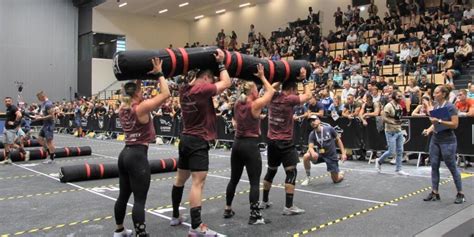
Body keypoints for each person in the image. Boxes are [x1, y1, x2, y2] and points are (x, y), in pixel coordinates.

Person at [170, 49, 231, 236]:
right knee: (198, 183)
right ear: (207, 78)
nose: (213, 84)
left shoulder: (184, 90)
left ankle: (175, 216)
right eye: (212, 80)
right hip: (198, 141)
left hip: (185, 139)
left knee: (180, 179)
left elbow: (191, 79)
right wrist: (221, 63)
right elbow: (227, 82)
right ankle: (196, 226)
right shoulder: (202, 88)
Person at [113, 57, 170, 237]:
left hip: (125, 154)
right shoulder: (142, 108)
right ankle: (141, 233)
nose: (143, 91)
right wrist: (159, 73)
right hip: (137, 156)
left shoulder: (123, 106)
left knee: (123, 195)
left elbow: (129, 91)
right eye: (141, 90)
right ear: (137, 94)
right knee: (139, 199)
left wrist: (139, 75)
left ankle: (119, 230)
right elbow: (166, 93)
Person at [223, 64, 275, 225]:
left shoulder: (238, 103)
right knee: (254, 182)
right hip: (250, 146)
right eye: (256, 89)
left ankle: (228, 208)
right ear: (253, 91)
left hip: (237, 144)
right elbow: (271, 92)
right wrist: (262, 77)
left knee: (234, 179)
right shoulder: (255, 104)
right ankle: (255, 215)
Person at [260, 67, 312, 215]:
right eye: (295, 90)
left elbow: (268, 89)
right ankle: (288, 207)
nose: (296, 93)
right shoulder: (289, 99)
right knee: (291, 173)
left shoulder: (272, 96)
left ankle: (264, 201)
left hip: (271, 142)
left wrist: (280, 80)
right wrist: (304, 80)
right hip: (285, 142)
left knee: (271, 170)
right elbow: (308, 96)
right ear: (293, 89)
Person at [422, 85, 465, 204]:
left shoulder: (450, 107)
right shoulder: (436, 106)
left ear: (443, 94)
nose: (434, 95)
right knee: (434, 165)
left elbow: (455, 124)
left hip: (448, 140)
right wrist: (429, 130)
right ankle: (435, 192)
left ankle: (460, 193)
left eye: (436, 93)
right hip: (435, 139)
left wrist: (440, 121)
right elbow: (434, 123)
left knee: (451, 166)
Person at [301, 115, 347, 185]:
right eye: (310, 122)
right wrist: (313, 153)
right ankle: (308, 177)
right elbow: (310, 147)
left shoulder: (329, 129)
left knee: (336, 180)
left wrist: (343, 153)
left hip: (331, 156)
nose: (312, 122)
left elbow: (338, 140)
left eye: (314, 120)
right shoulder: (312, 134)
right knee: (306, 156)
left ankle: (340, 174)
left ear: (319, 120)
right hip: (321, 155)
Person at [375, 90, 409, 175]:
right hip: (390, 131)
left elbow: (398, 117)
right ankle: (379, 161)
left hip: (398, 130)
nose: (400, 98)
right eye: (399, 96)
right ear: (394, 97)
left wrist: (400, 122)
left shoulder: (399, 106)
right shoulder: (388, 106)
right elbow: (383, 118)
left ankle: (399, 169)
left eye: (401, 96)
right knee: (391, 151)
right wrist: (392, 122)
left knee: (400, 150)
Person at [33, 91, 56, 164]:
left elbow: (51, 115)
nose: (38, 99)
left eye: (39, 98)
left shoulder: (48, 104)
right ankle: (50, 152)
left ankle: (51, 158)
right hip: (45, 125)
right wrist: (37, 116)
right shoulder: (43, 104)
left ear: (42, 96)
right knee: (39, 139)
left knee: (49, 141)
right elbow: (43, 114)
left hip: (49, 125)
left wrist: (40, 118)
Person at [0, 97, 22, 165]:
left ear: (11, 102)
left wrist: (15, 123)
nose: (7, 102)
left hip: (11, 129)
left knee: (11, 144)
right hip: (6, 129)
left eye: (9, 101)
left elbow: (19, 115)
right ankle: (7, 159)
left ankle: (24, 152)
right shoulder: (8, 109)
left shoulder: (13, 107)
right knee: (5, 143)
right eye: (6, 101)